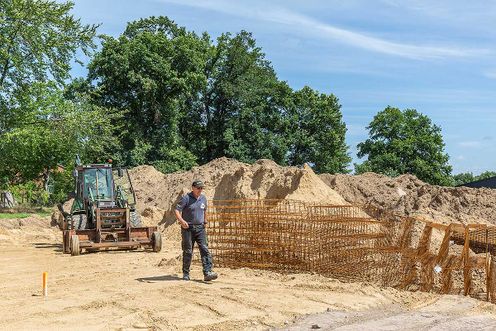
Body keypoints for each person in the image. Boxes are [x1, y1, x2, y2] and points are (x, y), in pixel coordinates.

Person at [175, 180, 218, 281]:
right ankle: (186, 273)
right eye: (198, 188)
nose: (200, 190)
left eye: (201, 188)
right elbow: (177, 210)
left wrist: (205, 220)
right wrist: (181, 221)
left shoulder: (203, 198)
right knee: (188, 251)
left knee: (204, 249)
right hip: (188, 229)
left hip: (200, 228)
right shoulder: (186, 198)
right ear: (193, 188)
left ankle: (207, 272)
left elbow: (204, 210)